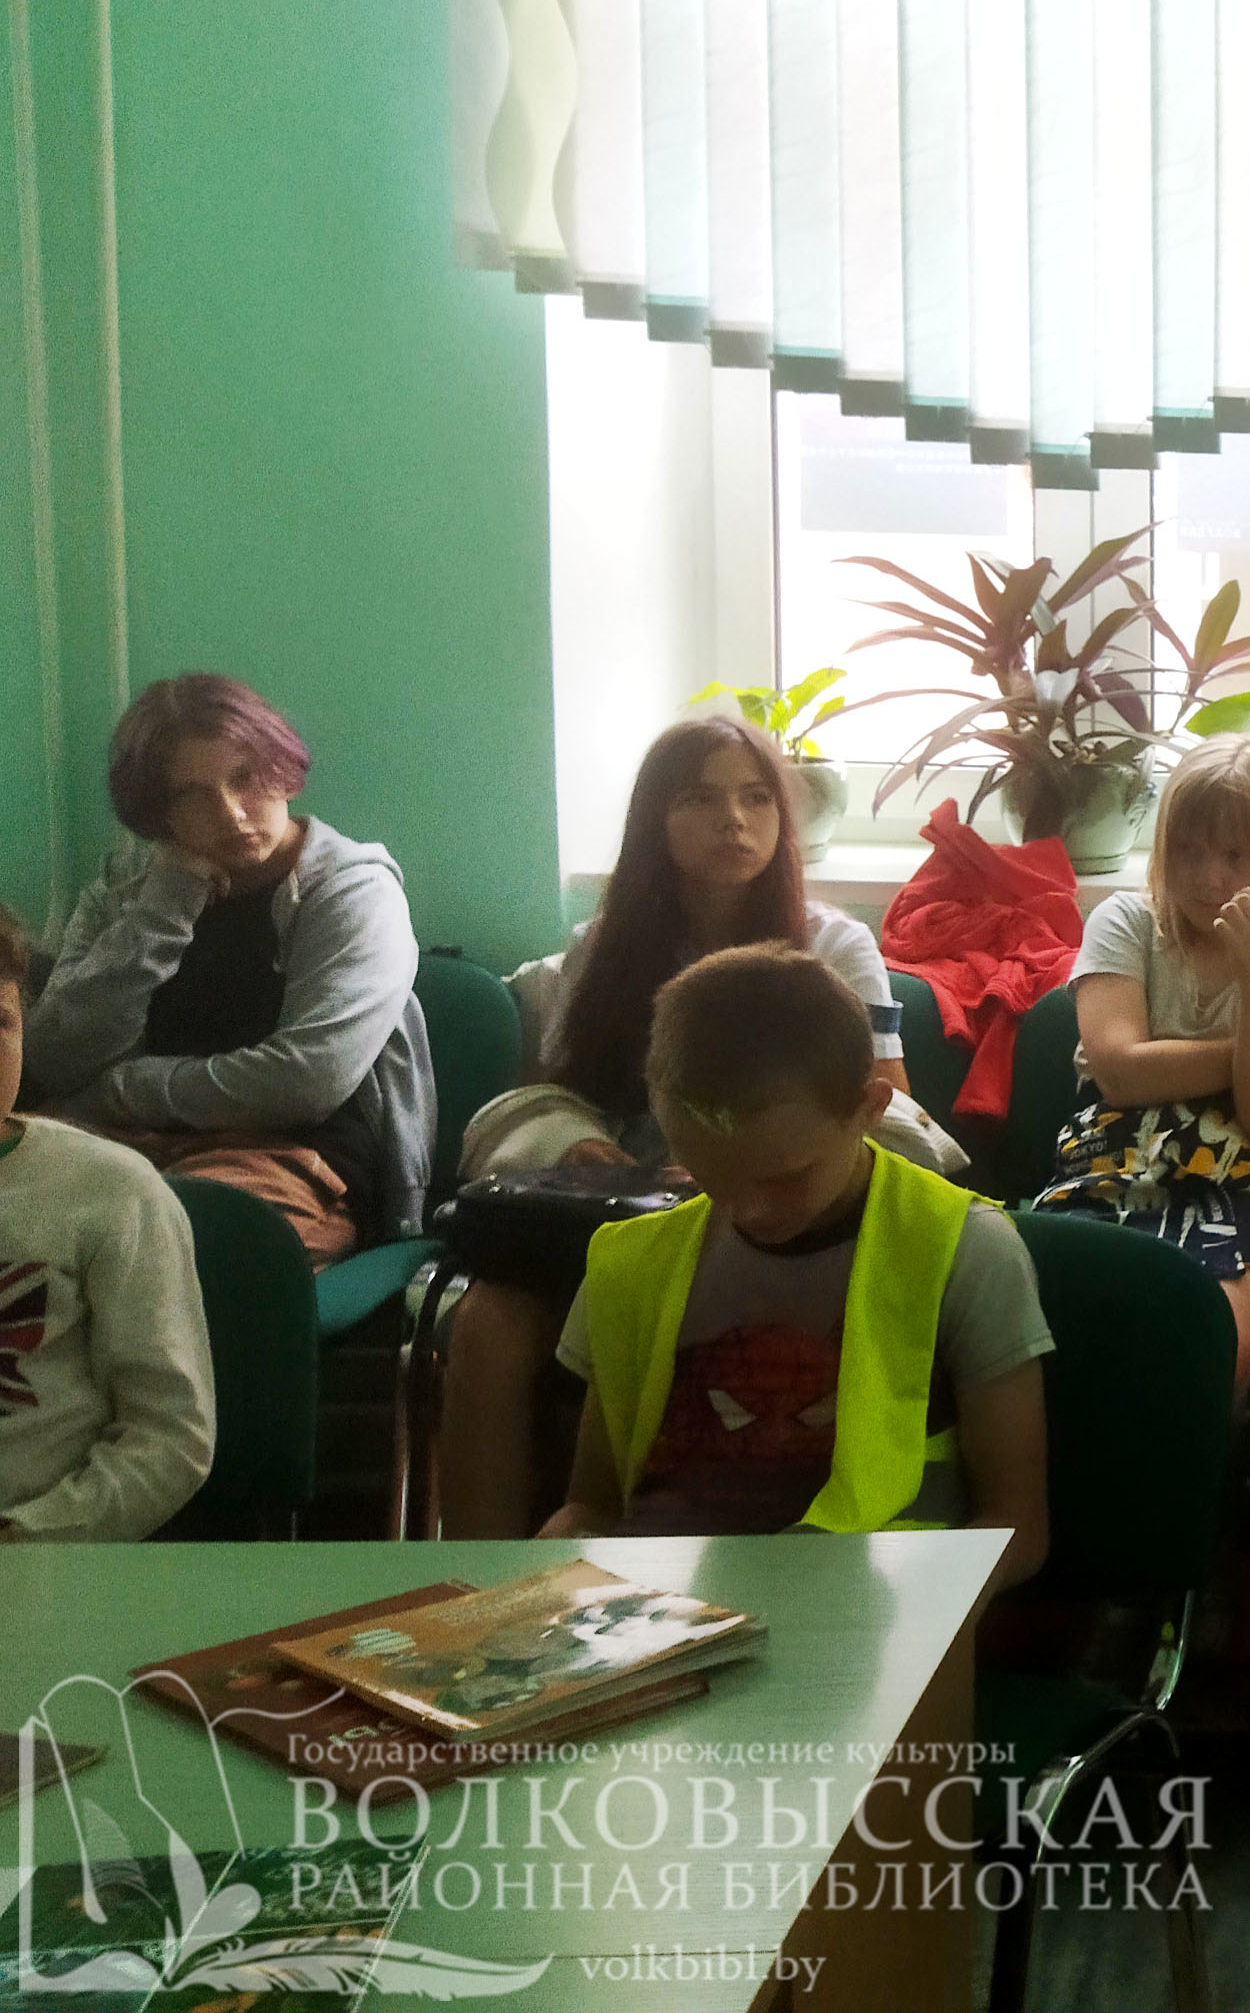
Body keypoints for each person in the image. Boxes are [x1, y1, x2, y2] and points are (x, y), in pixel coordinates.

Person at [433, 715, 951, 1540]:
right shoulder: (600, 948)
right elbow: (561, 1091)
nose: (733, 821)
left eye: (755, 798)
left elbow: (881, 1101)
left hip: (781, 1209)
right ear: (655, 820)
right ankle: (480, 1580)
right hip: (619, 1212)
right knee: (490, 1323)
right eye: (699, 799)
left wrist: (737, 1160)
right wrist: (584, 1154)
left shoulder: (835, 944)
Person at [540, 945, 1050, 1583]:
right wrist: (561, 1554)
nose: (750, 1209)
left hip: (877, 1602)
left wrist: (929, 1610)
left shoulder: (965, 1249)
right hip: (666, 1603)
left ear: (870, 1110)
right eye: (710, 1174)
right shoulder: (631, 1262)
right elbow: (590, 1505)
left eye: (786, 1178)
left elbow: (1015, 1526)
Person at [25, 674, 433, 1261]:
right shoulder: (122, 891)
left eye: (245, 778)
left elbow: (306, 1082)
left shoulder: (353, 891)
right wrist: (165, 904)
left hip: (290, 1156)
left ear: (282, 769)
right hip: (123, 1144)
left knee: (170, 1248)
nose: (231, 813)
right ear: (159, 814)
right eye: (191, 795)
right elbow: (54, 1057)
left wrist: (121, 1090)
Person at [1030, 732, 1250, 1395]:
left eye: (1235, 855)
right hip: (1113, 1167)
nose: (1209, 877)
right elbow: (1119, 1073)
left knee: (1211, 1346)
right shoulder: (1126, 923)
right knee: (1057, 1333)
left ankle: (1195, 1465)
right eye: (1187, 850)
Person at [0, 898, 217, 1543]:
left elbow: (169, 1438)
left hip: (45, 1553)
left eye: (0, 1023)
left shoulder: (110, 1192)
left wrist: (25, 1538)